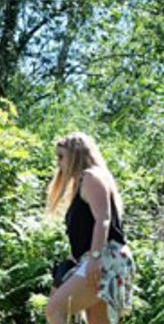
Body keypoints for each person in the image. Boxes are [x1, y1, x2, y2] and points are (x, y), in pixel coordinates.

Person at [45, 132, 135, 324]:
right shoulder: (83, 182)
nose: (58, 163)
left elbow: (103, 219)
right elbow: (85, 229)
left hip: (104, 256)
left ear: (75, 155)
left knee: (55, 310)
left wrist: (94, 259)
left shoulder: (91, 177)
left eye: (61, 157)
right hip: (99, 257)